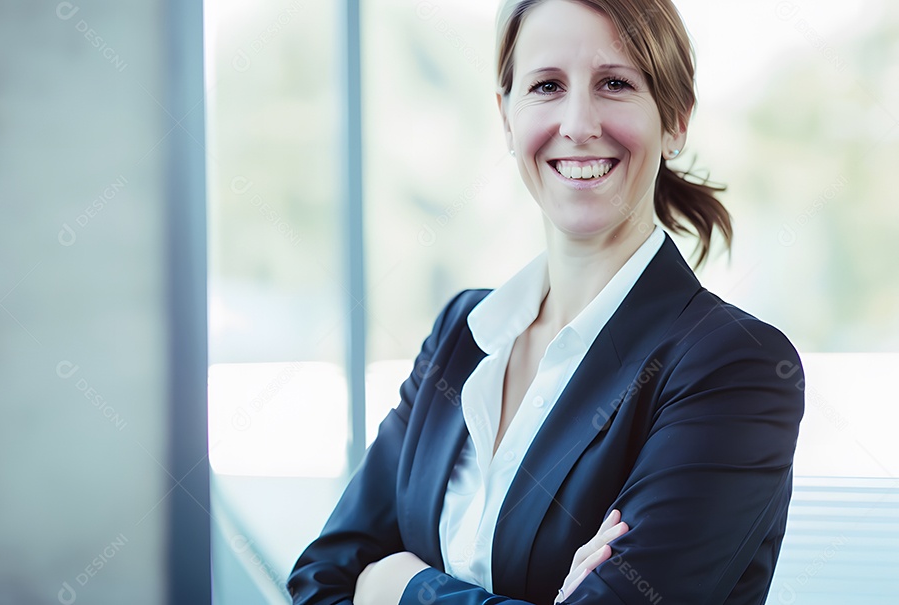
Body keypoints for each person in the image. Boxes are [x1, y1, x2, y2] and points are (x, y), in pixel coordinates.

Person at [287, 0, 805, 603]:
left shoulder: (734, 367)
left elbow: (361, 579)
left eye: (615, 83)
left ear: (676, 119)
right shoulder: (463, 334)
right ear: (506, 117)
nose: (579, 123)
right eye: (547, 86)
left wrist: (399, 585)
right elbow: (321, 579)